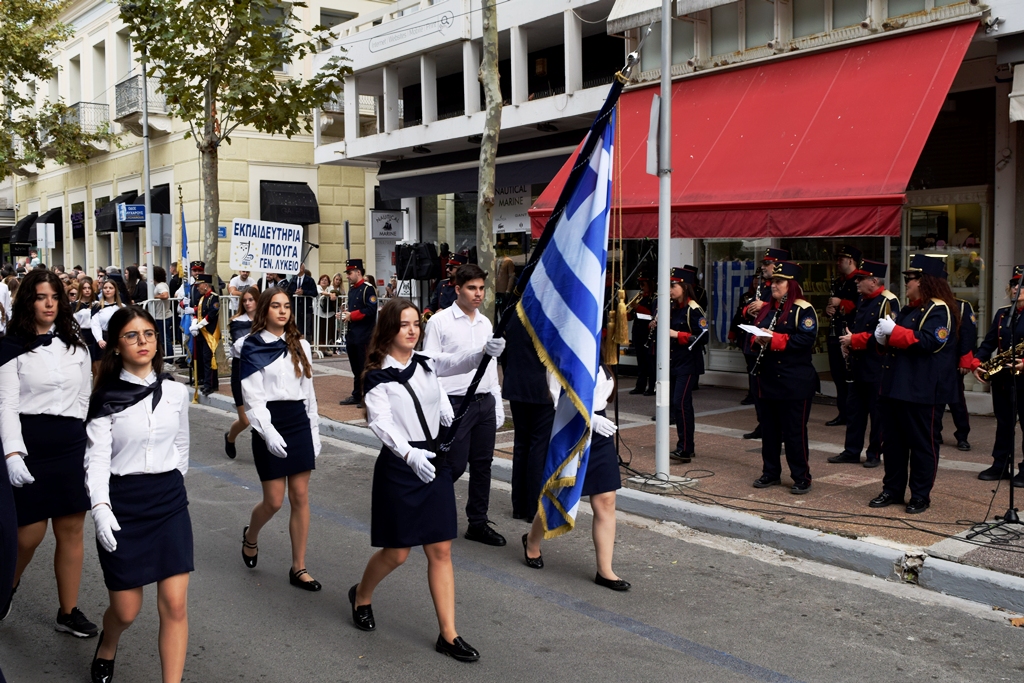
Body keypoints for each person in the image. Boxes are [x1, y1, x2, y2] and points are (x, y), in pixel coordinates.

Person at [350, 298, 502, 662]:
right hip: (401, 466)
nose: (412, 330)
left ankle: (448, 634)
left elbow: (458, 361)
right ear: (389, 328)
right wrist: (409, 454)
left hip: (435, 462)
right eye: (404, 324)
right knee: (397, 553)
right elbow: (381, 422)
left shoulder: (425, 362)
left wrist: (485, 351)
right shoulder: (376, 375)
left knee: (441, 550)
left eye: (416, 323)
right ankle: (361, 595)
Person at [84, 305, 192, 683]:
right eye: (131, 335)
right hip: (123, 504)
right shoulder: (105, 398)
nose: (142, 341)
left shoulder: (176, 392)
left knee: (175, 605)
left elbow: (181, 446)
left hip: (168, 501)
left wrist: (171, 482)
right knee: (126, 610)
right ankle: (108, 642)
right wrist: (101, 508)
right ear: (116, 346)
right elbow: (97, 460)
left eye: (148, 333)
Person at [0, 270, 97, 636]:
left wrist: (87, 445)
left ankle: (67, 612)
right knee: (28, 535)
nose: (49, 303)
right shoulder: (12, 347)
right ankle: (5, 589)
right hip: (30, 445)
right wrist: (13, 454)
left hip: (70, 444)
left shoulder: (77, 346)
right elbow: (7, 405)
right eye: (41, 297)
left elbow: (85, 399)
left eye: (55, 296)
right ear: (29, 301)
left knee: (71, 529)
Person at [238, 288, 322, 591]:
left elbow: (308, 392)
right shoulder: (251, 346)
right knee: (273, 501)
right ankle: (251, 536)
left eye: (287, 306)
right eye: (276, 306)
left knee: (300, 495)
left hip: (298, 421)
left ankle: (299, 567)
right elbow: (253, 399)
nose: (283, 311)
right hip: (269, 421)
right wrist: (268, 431)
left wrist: (314, 431)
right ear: (265, 310)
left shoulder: (300, 344)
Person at [522, 365, 629, 591]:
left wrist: (596, 418)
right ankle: (532, 539)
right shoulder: (565, 353)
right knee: (557, 496)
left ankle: (605, 570)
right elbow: (558, 398)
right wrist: (590, 417)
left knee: (606, 500)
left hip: (599, 431)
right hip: (571, 427)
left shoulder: (600, 353)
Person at [422, 264, 507, 547]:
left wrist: (496, 400)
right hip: (455, 402)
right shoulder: (439, 322)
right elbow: (430, 364)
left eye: (481, 288)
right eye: (472, 288)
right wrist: (442, 401)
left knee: (483, 465)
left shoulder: (485, 323)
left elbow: (490, 365)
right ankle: (431, 512)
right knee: (453, 465)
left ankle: (478, 523)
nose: (478, 294)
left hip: (484, 400)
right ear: (457, 289)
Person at [869, 254, 960, 514]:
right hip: (896, 387)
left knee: (922, 445)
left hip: (922, 390)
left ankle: (920, 495)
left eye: (911, 278)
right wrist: (882, 338)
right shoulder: (911, 309)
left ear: (924, 281)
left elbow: (931, 342)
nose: (906, 283)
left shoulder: (939, 309)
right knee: (893, 444)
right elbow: (896, 344)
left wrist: (894, 332)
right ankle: (892, 489)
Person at [750, 261, 819, 495]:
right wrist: (757, 338)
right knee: (769, 431)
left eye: (779, 282)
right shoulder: (768, 308)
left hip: (794, 381)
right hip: (768, 379)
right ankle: (770, 472)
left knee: (794, 432)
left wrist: (774, 340)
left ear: (792, 285)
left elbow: (806, 339)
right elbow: (754, 332)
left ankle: (801, 477)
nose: (773, 285)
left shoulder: (803, 309)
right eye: (773, 281)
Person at [833, 260, 900, 467]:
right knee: (854, 411)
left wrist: (855, 340)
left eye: (861, 279)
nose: (857, 282)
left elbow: (887, 335)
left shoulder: (888, 301)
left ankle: (874, 453)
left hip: (877, 365)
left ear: (874, 281)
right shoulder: (863, 299)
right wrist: (849, 343)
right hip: (858, 363)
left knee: (877, 413)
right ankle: (851, 451)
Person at [970, 265, 1024, 486]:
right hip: (1003, 378)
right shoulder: (1003, 314)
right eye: (1014, 284)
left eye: (1021, 284)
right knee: (1004, 424)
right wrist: (977, 362)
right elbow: (989, 342)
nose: (1017, 288)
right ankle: (1000, 465)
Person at [502, 313, 554, 523]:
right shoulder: (548, 313)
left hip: (517, 384)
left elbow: (505, 352)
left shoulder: (514, 312)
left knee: (521, 445)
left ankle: (519, 505)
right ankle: (533, 507)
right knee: (538, 447)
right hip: (542, 388)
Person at [739, 248, 789, 438]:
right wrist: (750, 310)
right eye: (764, 264)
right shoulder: (764, 287)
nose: (764, 267)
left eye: (768, 264)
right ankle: (763, 425)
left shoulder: (787, 287)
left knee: (773, 392)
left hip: (771, 346)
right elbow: (746, 307)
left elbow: (786, 309)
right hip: (755, 343)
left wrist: (764, 306)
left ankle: (778, 428)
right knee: (757, 390)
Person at [659, 267, 708, 462]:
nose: (670, 289)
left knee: (680, 402)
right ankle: (685, 446)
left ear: (684, 287)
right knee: (676, 403)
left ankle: (685, 448)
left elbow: (703, 336)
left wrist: (677, 334)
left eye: (674, 285)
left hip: (688, 363)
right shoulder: (672, 308)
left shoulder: (693, 309)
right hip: (673, 361)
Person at [824, 245, 862, 427]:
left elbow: (860, 306)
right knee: (838, 375)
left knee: (849, 376)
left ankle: (852, 413)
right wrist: (829, 309)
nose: (838, 263)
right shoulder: (840, 282)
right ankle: (843, 412)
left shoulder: (858, 280)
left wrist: (841, 303)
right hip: (836, 333)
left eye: (841, 259)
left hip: (850, 333)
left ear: (850, 260)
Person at [939, 297, 978, 451]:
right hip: (934, 361)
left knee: (957, 401)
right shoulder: (927, 304)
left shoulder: (961, 306)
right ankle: (935, 432)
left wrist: (965, 359)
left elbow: (968, 333)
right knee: (934, 399)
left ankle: (962, 435)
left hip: (954, 361)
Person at [339, 259, 378, 407]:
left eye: (350, 273)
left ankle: (367, 396)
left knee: (364, 366)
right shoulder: (352, 289)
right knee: (356, 367)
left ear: (358, 272)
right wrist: (345, 315)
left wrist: (352, 315)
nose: (347, 276)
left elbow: (371, 309)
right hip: (353, 334)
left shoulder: (368, 289)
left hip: (364, 334)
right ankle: (357, 394)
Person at [225, 286, 258, 459]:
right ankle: (230, 437)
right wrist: (257, 332)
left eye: (251, 299)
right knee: (245, 420)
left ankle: (262, 451)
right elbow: (238, 347)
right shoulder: (237, 322)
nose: (247, 303)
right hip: (241, 369)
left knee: (262, 415)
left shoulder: (267, 320)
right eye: (244, 300)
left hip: (260, 370)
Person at [190, 274, 221, 396]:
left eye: (199, 285)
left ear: (206, 285)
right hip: (202, 333)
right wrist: (194, 323)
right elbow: (198, 313)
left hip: (210, 333)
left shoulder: (214, 298)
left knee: (208, 359)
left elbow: (212, 314)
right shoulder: (202, 298)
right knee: (203, 359)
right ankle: (206, 382)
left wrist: (199, 325)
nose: (197, 288)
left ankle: (210, 385)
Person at [628, 275, 656, 396]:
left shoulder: (654, 298)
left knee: (650, 362)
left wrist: (637, 307)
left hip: (647, 333)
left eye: (643, 284)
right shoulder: (640, 297)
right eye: (640, 284)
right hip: (638, 332)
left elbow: (651, 314)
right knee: (640, 361)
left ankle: (652, 387)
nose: (641, 287)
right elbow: (632, 316)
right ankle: (640, 386)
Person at [423, 254, 464, 319]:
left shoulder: (464, 286)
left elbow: (464, 308)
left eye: (451, 267)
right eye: (447, 266)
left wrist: (445, 312)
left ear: (460, 269)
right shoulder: (442, 284)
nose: (447, 270)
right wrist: (427, 311)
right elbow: (434, 304)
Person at [287, 264, 317, 340]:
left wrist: (304, 292)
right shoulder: (292, 279)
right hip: (295, 307)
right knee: (295, 327)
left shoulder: (310, 280)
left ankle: (308, 344)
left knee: (307, 328)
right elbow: (288, 291)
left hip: (306, 307)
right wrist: (295, 292)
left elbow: (314, 292)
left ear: (302, 268)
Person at [150, 266, 174, 359]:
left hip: (162, 316)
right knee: (164, 338)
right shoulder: (162, 285)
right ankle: (168, 357)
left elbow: (165, 295)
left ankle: (169, 358)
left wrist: (154, 297)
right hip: (163, 315)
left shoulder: (160, 286)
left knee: (164, 338)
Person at [315, 274, 335, 356]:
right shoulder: (317, 287)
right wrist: (330, 295)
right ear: (319, 281)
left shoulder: (331, 288)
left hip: (329, 313)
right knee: (320, 331)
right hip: (318, 313)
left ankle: (325, 349)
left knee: (327, 332)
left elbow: (335, 293)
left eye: (326, 280)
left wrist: (332, 294)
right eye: (322, 279)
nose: (324, 281)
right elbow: (320, 292)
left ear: (328, 282)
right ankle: (319, 349)